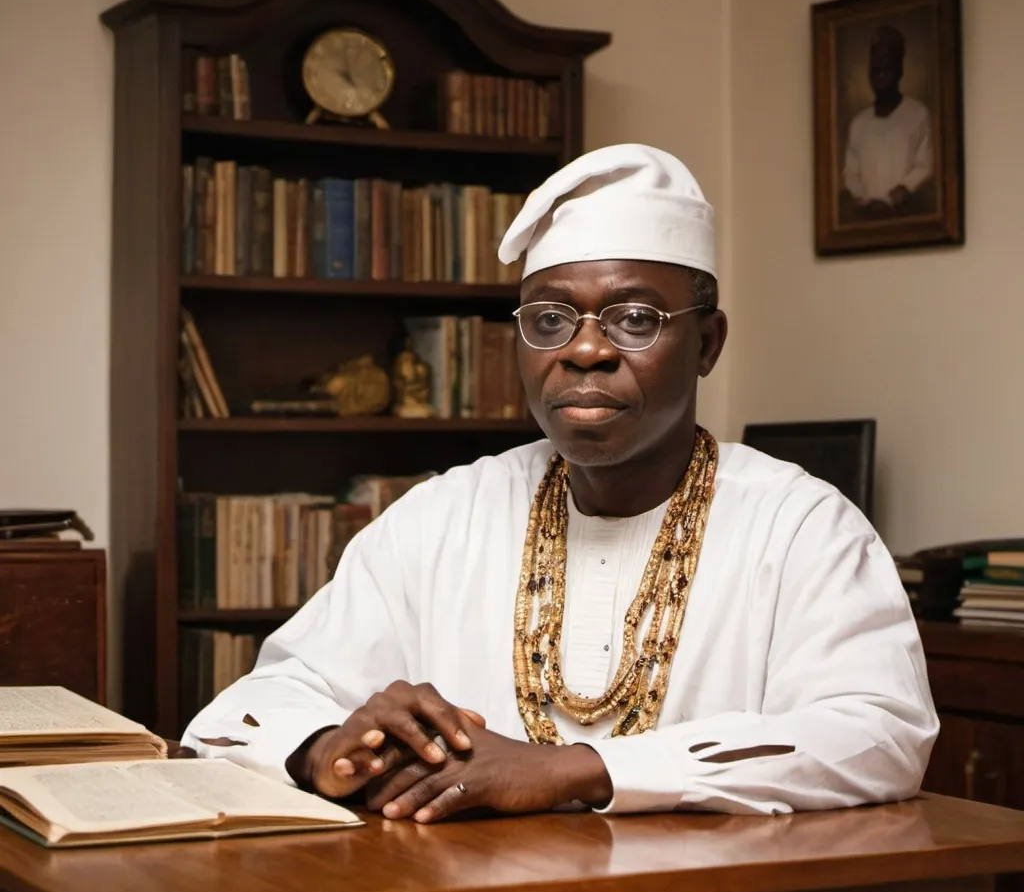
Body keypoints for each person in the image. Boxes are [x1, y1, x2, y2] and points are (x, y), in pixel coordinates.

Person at [182, 144, 938, 821]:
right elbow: (237, 715)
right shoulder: (443, 516)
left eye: (634, 319)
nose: (583, 351)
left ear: (706, 343)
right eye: (549, 319)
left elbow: (879, 733)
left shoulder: (800, 525)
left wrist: (574, 770)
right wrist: (332, 749)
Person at [842, 24, 934, 217]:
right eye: (875, 70)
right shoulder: (858, 124)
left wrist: (904, 189)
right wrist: (862, 197)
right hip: (867, 215)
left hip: (906, 214)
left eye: (886, 69)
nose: (880, 77)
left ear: (899, 69)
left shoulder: (918, 114)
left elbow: (924, 165)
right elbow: (851, 173)